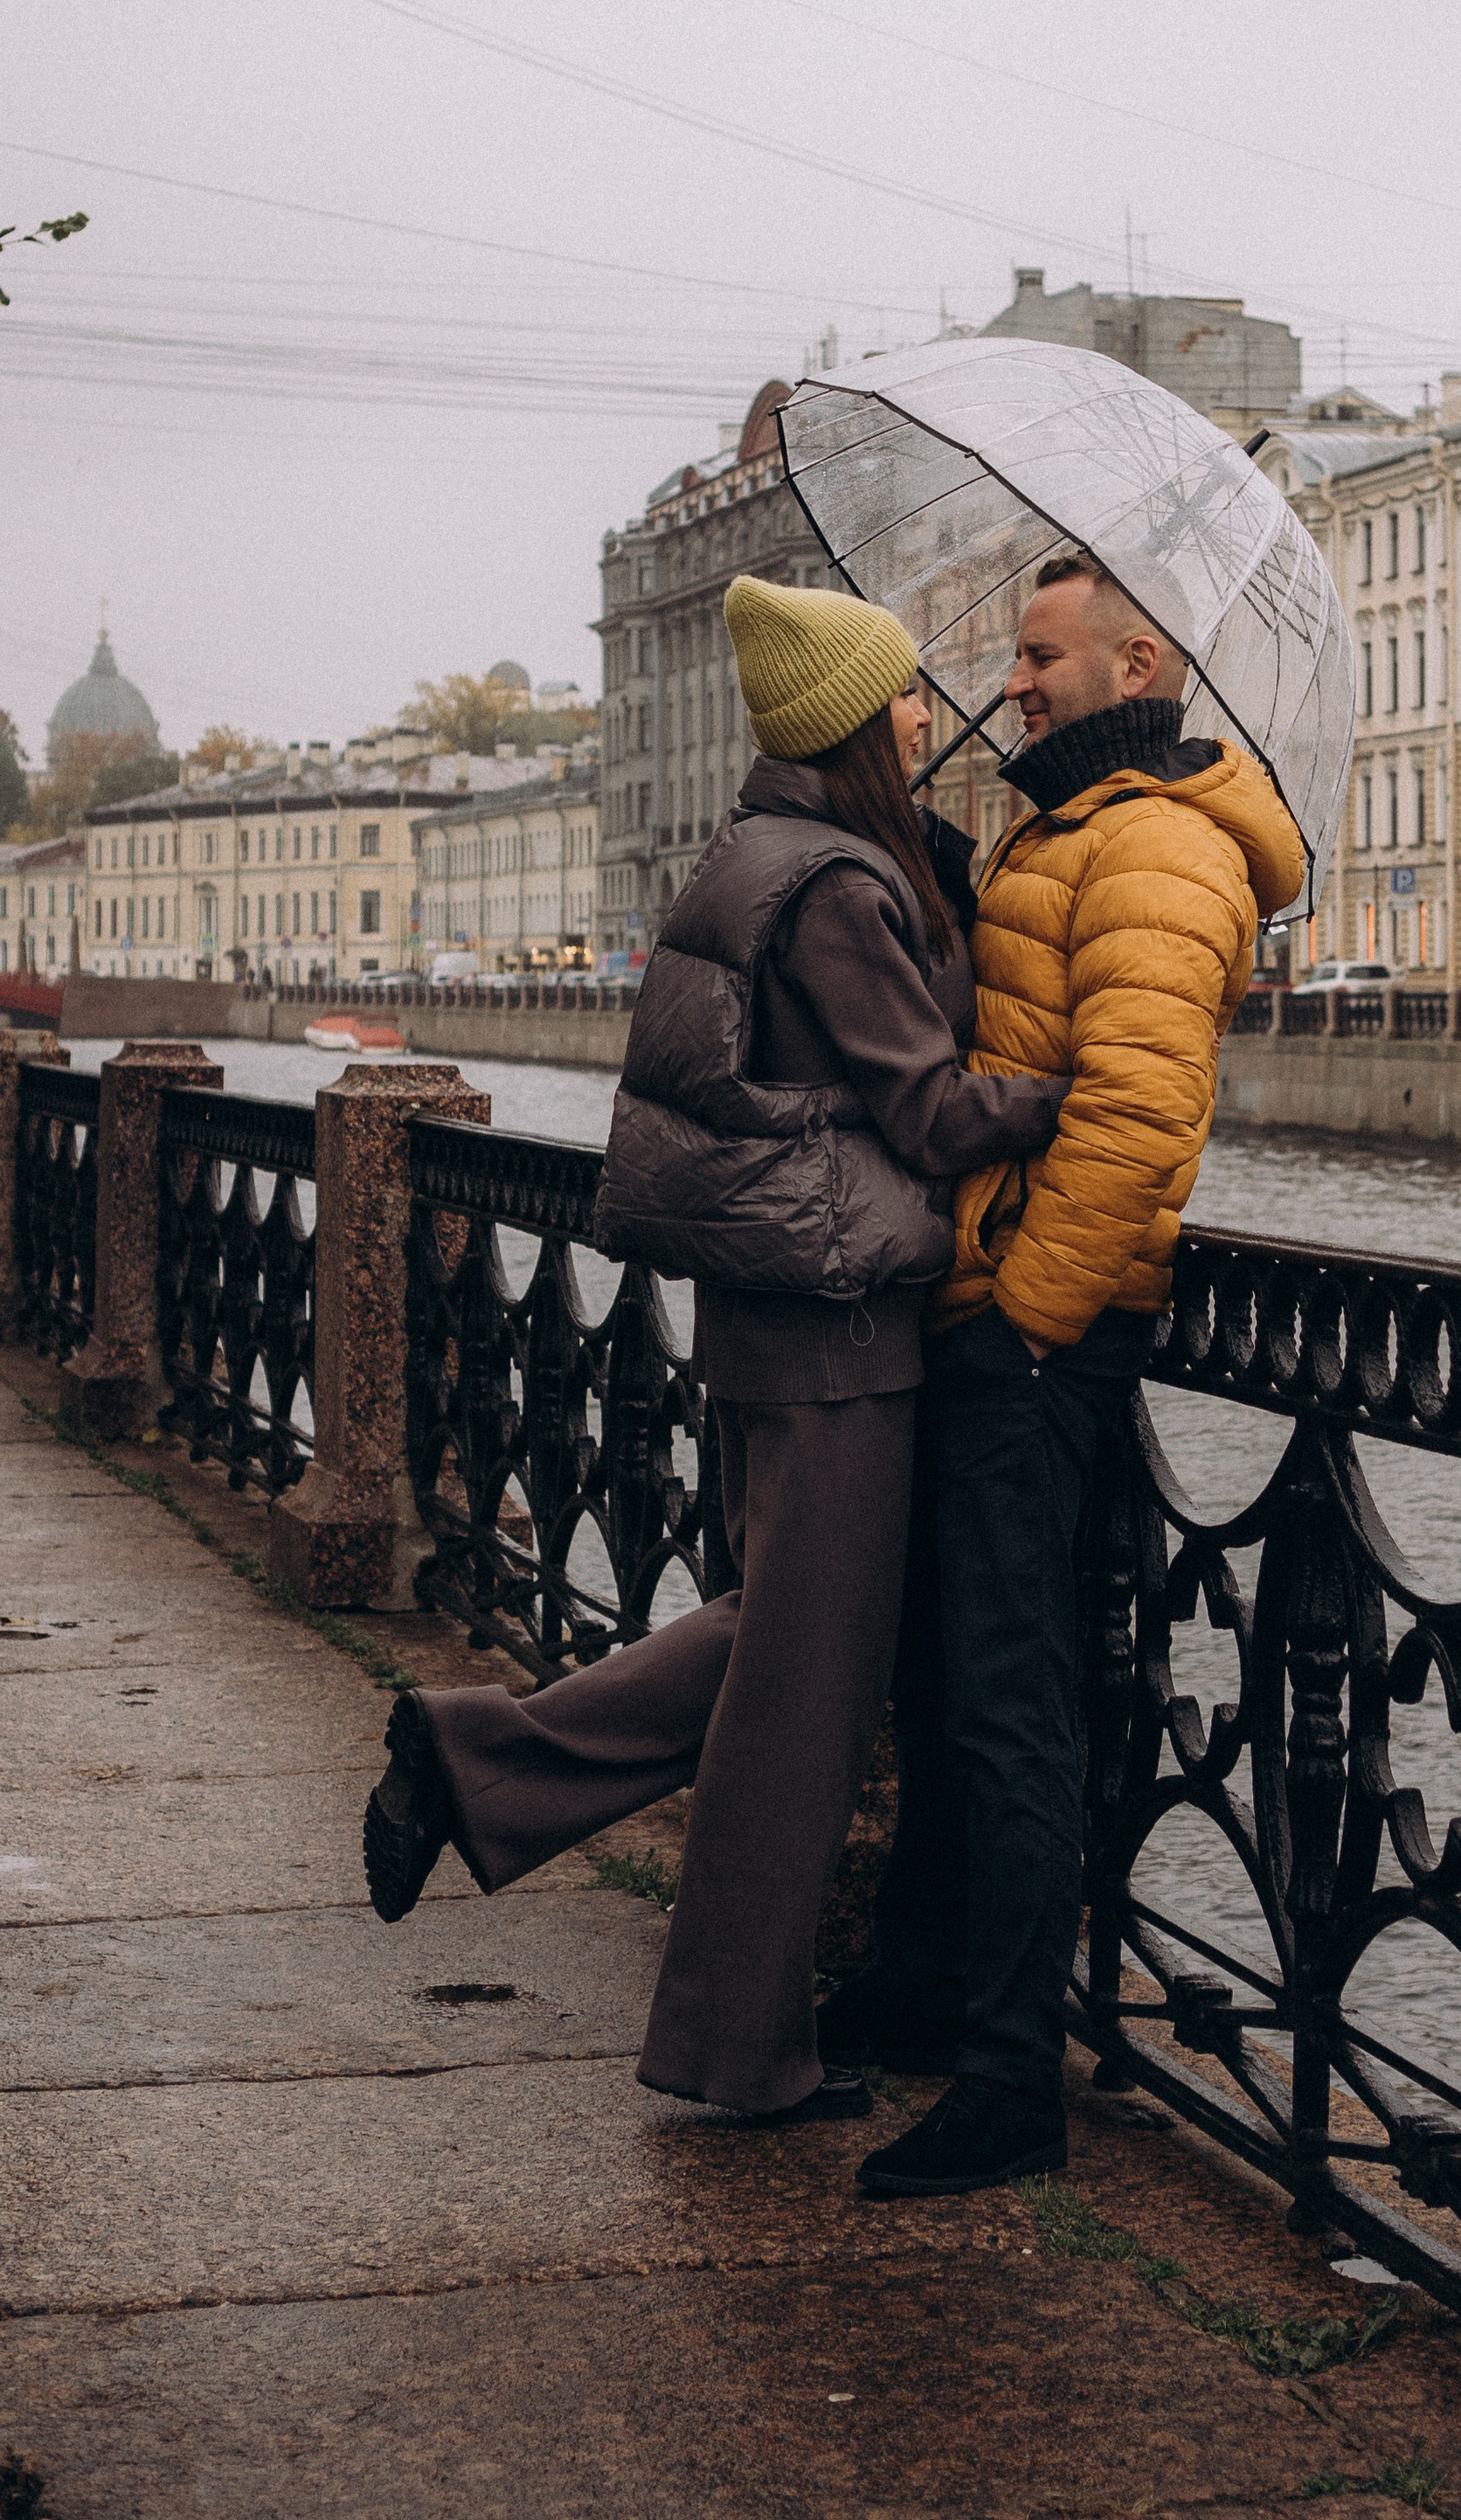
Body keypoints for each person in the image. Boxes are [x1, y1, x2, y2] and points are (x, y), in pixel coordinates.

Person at [361, 577, 1068, 2128]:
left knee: (783, 1648)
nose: (921, 715)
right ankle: (736, 2051)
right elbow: (932, 1110)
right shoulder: (836, 888)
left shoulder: (756, 857)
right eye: (898, 696)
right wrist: (1061, 1081)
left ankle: (479, 1768)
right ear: (849, 722)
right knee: (801, 1700)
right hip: (838, 1330)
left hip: (764, 1316)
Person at [827, 550, 1305, 2198]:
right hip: (997, 1316)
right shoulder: (1075, 823)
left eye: (1040, 655)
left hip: (1043, 1340)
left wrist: (1024, 1321)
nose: (1014, 681)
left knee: (1014, 1703)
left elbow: (1135, 1117)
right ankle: (922, 1991)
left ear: (1137, 658)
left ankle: (1010, 2074)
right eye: (1018, 656)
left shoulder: (1163, 845)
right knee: (951, 1682)